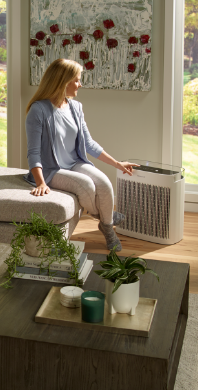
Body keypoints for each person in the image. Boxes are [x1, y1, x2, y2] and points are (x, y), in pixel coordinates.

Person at [24, 58, 138, 252]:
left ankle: (105, 222)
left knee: (103, 182)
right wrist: (41, 183)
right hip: (52, 169)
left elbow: (89, 145)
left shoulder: (76, 108)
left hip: (75, 162)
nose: (80, 84)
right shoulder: (39, 110)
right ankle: (107, 222)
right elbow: (33, 152)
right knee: (86, 185)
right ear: (63, 81)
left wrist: (117, 163)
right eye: (76, 80)